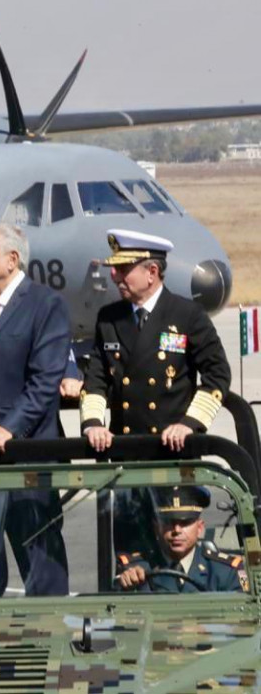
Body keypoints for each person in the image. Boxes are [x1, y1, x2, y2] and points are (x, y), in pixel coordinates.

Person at [81, 229, 231, 557]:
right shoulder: (110, 318)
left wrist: (189, 424)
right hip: (127, 459)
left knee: (174, 551)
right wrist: (93, 422)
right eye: (114, 268)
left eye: (123, 268)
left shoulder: (186, 315)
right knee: (131, 557)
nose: (114, 275)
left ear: (151, 272)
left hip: (172, 459)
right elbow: (95, 380)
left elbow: (218, 374)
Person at [0, 222, 71, 596]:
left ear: (11, 259)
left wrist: (9, 429)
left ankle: (52, 642)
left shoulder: (44, 304)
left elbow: (43, 384)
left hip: (26, 459)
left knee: (41, 565)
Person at [115, 486, 246, 593]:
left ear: (200, 527)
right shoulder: (135, 569)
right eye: (168, 522)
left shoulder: (224, 572)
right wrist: (126, 583)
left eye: (185, 523)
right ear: (156, 527)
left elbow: (243, 618)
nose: (177, 530)